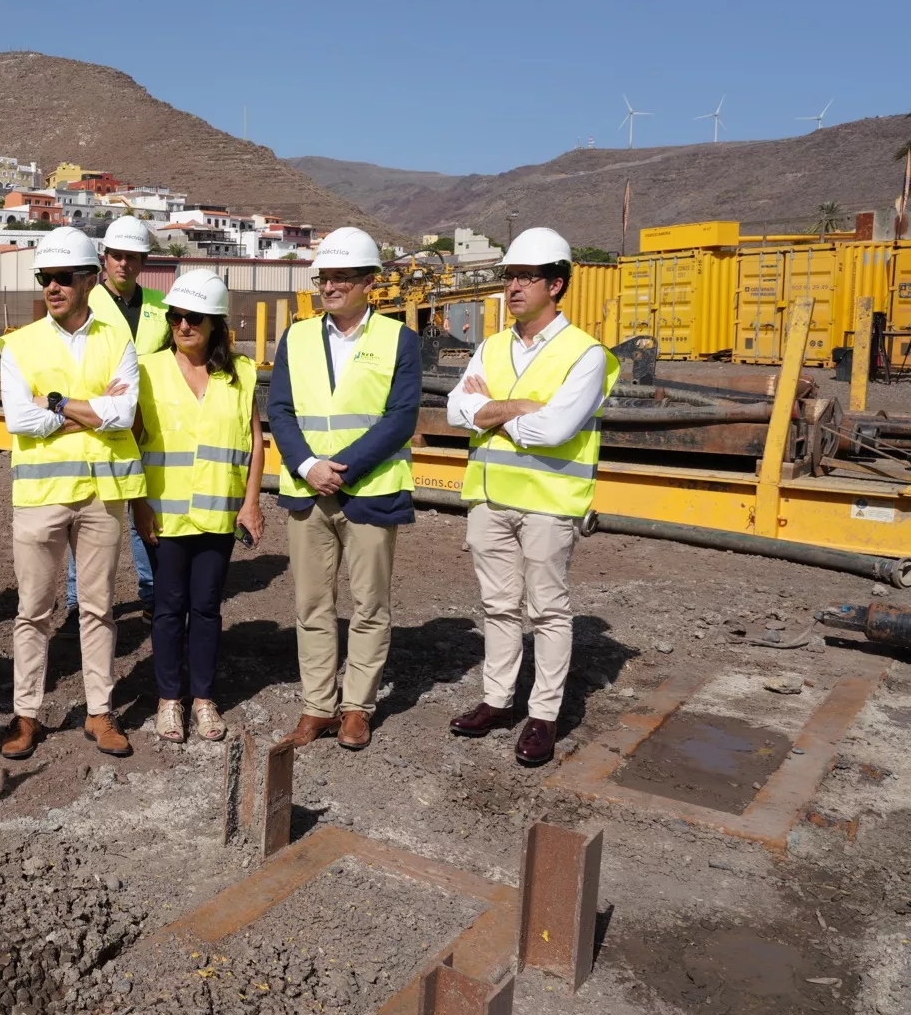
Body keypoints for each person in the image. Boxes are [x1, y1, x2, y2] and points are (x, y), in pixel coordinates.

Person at [447, 227, 620, 768]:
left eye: (526, 277)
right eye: (509, 276)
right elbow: (456, 413)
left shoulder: (586, 353)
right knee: (498, 606)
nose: (513, 286)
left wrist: (492, 409)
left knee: (547, 610)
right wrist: (519, 405)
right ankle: (497, 702)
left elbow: (555, 430)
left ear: (557, 284)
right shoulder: (492, 346)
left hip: (550, 502)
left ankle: (543, 715)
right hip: (490, 498)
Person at [269, 228, 421, 754]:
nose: (329, 286)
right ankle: (317, 705)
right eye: (324, 277)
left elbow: (400, 417)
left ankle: (357, 707)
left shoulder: (399, 339)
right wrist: (308, 465)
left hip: (370, 492)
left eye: (340, 277)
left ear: (367, 283)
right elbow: (281, 410)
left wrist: (346, 468)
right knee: (311, 605)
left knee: (369, 605)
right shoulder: (297, 337)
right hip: (307, 489)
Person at [0, 226, 145, 760]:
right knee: (33, 609)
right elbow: (19, 418)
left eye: (63, 277)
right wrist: (89, 411)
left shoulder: (118, 339)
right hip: (42, 496)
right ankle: (26, 715)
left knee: (99, 607)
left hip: (103, 493)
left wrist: (56, 403)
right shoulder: (19, 344)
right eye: (45, 278)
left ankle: (100, 713)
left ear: (90, 279)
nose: (53, 287)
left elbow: (123, 414)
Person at [131, 271, 264, 743]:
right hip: (164, 515)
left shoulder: (241, 372)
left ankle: (204, 699)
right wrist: (139, 505)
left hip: (216, 514)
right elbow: (133, 441)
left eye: (194, 319)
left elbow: (253, 442)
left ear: (215, 325)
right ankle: (170, 700)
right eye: (177, 317)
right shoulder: (146, 368)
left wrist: (251, 503)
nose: (183, 326)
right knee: (168, 608)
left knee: (206, 607)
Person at [70, 214, 167, 622]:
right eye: (117, 256)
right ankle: (80, 601)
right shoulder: (83, 303)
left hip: (150, 423)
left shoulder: (163, 309)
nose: (125, 264)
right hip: (100, 422)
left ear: (144, 261)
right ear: (104, 259)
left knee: (145, 513)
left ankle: (153, 594)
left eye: (133, 257)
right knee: (90, 514)